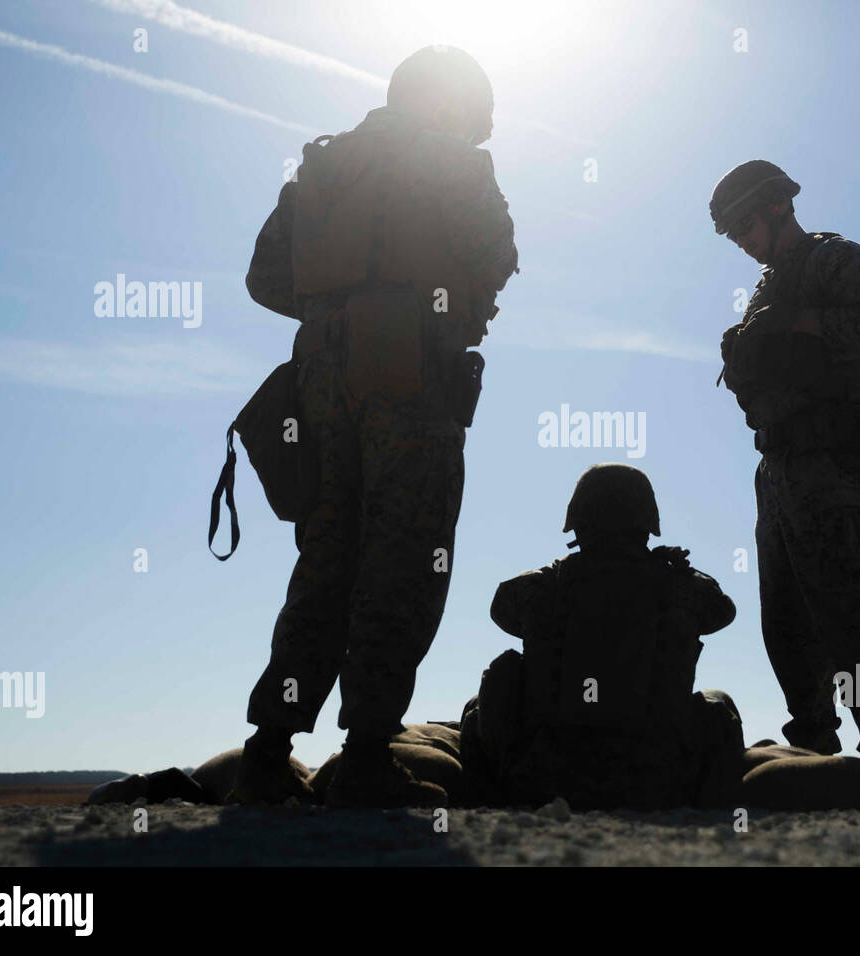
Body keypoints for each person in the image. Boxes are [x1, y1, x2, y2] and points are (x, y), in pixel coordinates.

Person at [231, 46, 519, 808]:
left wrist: (337, 313)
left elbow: (265, 276)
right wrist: (416, 308)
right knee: (405, 557)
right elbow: (497, 257)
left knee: (325, 559)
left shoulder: (323, 165)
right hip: (409, 377)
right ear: (450, 105)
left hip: (321, 381)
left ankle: (268, 751)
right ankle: (364, 754)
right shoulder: (456, 163)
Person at [710, 160, 860, 798]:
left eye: (743, 225)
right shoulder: (768, 288)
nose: (740, 242)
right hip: (777, 467)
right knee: (787, 620)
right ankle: (813, 747)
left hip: (829, 463)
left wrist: (805, 325)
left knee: (847, 609)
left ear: (776, 207)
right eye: (730, 234)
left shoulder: (833, 259)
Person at [460, 463, 745, 810]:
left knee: (489, 692)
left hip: (545, 777)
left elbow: (500, 610)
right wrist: (671, 570)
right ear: (647, 524)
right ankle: (718, 805)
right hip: (657, 779)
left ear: (577, 523)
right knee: (718, 706)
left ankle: (482, 797)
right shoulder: (684, 588)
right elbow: (724, 610)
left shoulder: (538, 586)